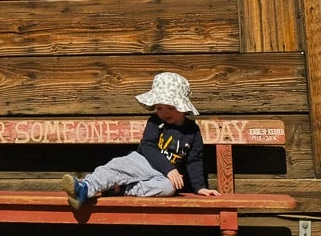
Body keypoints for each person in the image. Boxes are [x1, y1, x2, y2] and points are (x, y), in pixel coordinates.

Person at [61, 71, 221, 209]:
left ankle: (121, 190)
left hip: (163, 176)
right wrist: (169, 169)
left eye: (170, 107)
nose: (164, 113)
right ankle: (84, 188)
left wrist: (200, 188)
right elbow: (148, 146)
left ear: (182, 106)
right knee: (116, 167)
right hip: (143, 161)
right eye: (159, 108)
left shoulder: (192, 131)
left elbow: (194, 160)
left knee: (169, 188)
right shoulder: (155, 122)